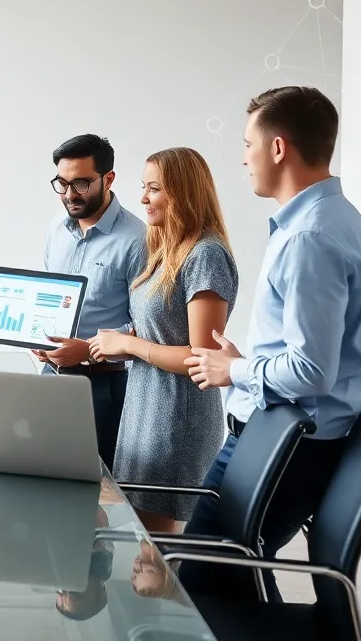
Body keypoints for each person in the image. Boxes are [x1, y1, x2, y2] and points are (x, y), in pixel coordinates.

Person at [184, 86, 361, 602]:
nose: (243, 157)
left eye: (248, 143)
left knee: (197, 578)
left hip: (285, 444)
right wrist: (243, 366)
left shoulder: (309, 238)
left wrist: (237, 370)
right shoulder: (337, 220)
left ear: (278, 148)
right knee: (224, 570)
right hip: (284, 438)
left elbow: (311, 370)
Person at [87, 147, 237, 533]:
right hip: (145, 412)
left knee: (155, 557)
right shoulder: (165, 250)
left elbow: (202, 359)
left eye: (153, 188)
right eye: (144, 187)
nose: (142, 198)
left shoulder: (206, 255)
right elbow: (160, 329)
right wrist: (124, 340)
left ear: (183, 193)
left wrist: (129, 346)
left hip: (175, 420)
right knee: (143, 551)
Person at [38, 134, 146, 472]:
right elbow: (47, 298)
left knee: (97, 495)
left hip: (104, 387)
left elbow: (148, 327)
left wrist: (85, 349)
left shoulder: (137, 240)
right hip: (50, 377)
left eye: (81, 183)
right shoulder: (56, 229)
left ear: (108, 178)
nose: (69, 194)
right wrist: (35, 338)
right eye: (62, 183)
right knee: (45, 480)